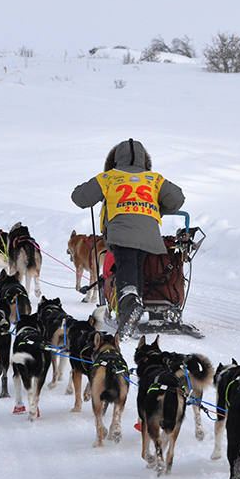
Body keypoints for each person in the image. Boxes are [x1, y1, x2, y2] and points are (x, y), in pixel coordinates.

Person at [71, 138, 185, 334]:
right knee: (137, 266)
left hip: (120, 230)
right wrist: (158, 208)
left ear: (115, 159)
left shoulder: (109, 177)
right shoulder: (154, 179)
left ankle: (129, 303)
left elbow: (79, 197)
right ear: (144, 160)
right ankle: (136, 306)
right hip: (149, 233)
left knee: (126, 264)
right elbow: (177, 199)